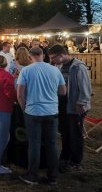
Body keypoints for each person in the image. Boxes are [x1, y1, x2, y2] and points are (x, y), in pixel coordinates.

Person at [17, 47, 67, 185]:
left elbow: (20, 94)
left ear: (29, 57)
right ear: (43, 55)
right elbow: (63, 91)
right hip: (51, 111)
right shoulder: (55, 70)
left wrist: (24, 109)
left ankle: (32, 175)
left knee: (34, 144)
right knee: (52, 144)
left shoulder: (26, 70)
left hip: (33, 111)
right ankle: (53, 176)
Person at [49, 45, 92, 173]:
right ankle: (65, 157)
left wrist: (82, 103)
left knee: (76, 135)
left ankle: (76, 162)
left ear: (61, 55)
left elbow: (85, 87)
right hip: (63, 106)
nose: (51, 60)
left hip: (75, 107)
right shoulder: (58, 66)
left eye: (53, 58)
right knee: (65, 133)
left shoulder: (78, 67)